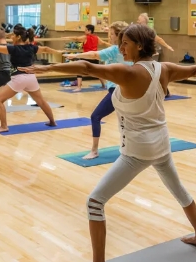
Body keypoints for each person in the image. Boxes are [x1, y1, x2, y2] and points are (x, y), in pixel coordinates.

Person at [20, 24, 196, 262]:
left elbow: (88, 68)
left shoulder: (129, 72)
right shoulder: (164, 68)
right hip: (161, 143)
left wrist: (47, 69)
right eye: (121, 42)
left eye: (125, 43)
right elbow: (194, 70)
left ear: (140, 46)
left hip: (137, 151)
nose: (121, 47)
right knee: (179, 190)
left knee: (94, 202)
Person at [0, 25, 64, 132]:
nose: (11, 36)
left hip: (19, 78)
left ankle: (4, 126)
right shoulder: (32, 47)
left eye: (13, 35)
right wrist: (59, 52)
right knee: (41, 101)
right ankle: (52, 121)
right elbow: (45, 49)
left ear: (18, 37)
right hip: (31, 78)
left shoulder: (13, 49)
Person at [62, 21, 131, 159]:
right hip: (131, 90)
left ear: (118, 36)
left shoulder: (114, 50)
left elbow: (94, 55)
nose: (109, 37)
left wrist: (75, 56)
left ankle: (94, 150)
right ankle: (131, 148)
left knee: (95, 117)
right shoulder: (131, 50)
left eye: (111, 34)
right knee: (128, 121)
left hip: (117, 92)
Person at [137, 13, 175, 97]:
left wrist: (167, 46)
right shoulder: (138, 30)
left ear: (144, 21)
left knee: (154, 73)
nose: (137, 21)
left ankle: (166, 92)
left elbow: (158, 39)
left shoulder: (148, 30)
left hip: (150, 55)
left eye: (139, 20)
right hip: (142, 55)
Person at [61, 24, 106, 91]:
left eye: (85, 30)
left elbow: (76, 38)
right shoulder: (97, 38)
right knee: (98, 72)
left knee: (79, 70)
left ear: (89, 31)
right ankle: (103, 85)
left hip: (87, 56)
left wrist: (65, 38)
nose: (84, 31)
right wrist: (114, 45)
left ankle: (79, 87)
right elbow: (103, 43)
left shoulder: (85, 37)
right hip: (94, 56)